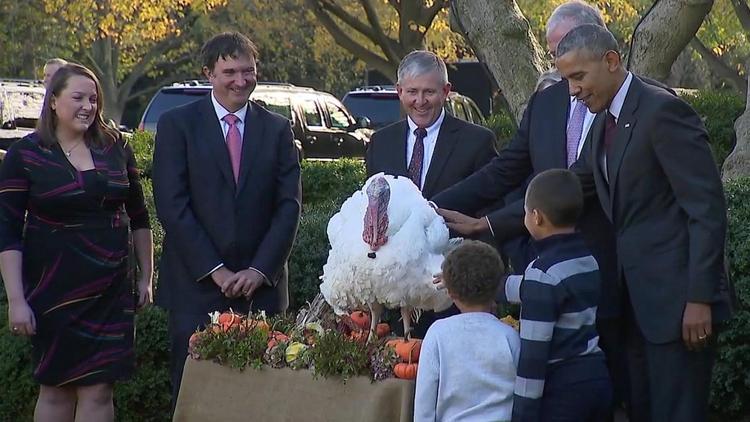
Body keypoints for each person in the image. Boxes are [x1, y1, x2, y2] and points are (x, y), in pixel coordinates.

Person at [431, 2, 632, 417]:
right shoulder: (546, 103)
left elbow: (575, 182)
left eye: (567, 50)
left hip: (608, 267)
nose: (559, 64)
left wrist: (488, 223)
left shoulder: (620, 107)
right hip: (545, 267)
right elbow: (506, 169)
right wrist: (428, 205)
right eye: (553, 52)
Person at [557, 24, 732, 421]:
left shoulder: (662, 111)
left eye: (578, 77)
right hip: (632, 309)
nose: (573, 91)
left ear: (612, 61)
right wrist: (487, 223)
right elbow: (568, 188)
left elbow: (705, 209)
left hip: (679, 310)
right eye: (568, 80)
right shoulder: (602, 121)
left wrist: (700, 298)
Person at [152, 31, 301, 406]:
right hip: (195, 289)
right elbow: (172, 205)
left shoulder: (277, 128)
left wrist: (259, 270)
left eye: (248, 71)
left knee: (259, 400)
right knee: (196, 397)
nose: (241, 80)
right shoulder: (176, 126)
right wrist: (215, 269)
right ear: (208, 74)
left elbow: (289, 207)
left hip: (261, 291)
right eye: (230, 71)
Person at [0, 63, 153, 422]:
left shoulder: (115, 146)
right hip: (53, 289)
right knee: (56, 389)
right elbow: (6, 232)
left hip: (111, 290)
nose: (88, 106)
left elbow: (140, 216)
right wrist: (16, 301)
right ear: (53, 101)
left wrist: (147, 276)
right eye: (78, 98)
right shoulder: (26, 155)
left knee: (100, 389)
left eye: (94, 99)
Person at [365, 49, 498, 338]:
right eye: (412, 92)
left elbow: (490, 219)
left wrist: (477, 283)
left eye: (429, 92)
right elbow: (370, 216)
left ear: (446, 91)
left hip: (455, 296)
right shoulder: (380, 143)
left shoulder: (477, 142)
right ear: (399, 91)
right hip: (396, 298)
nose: (420, 101)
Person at [498, 169, 612, 421]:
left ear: (536, 217)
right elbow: (536, 288)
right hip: (596, 377)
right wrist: (493, 287)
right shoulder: (586, 258)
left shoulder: (542, 273)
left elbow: (534, 356)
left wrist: (523, 415)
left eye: (526, 211)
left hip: (562, 388)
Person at [415, 240, 520, 422]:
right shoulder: (510, 336)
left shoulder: (437, 334)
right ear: (496, 288)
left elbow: (425, 401)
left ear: (450, 292)